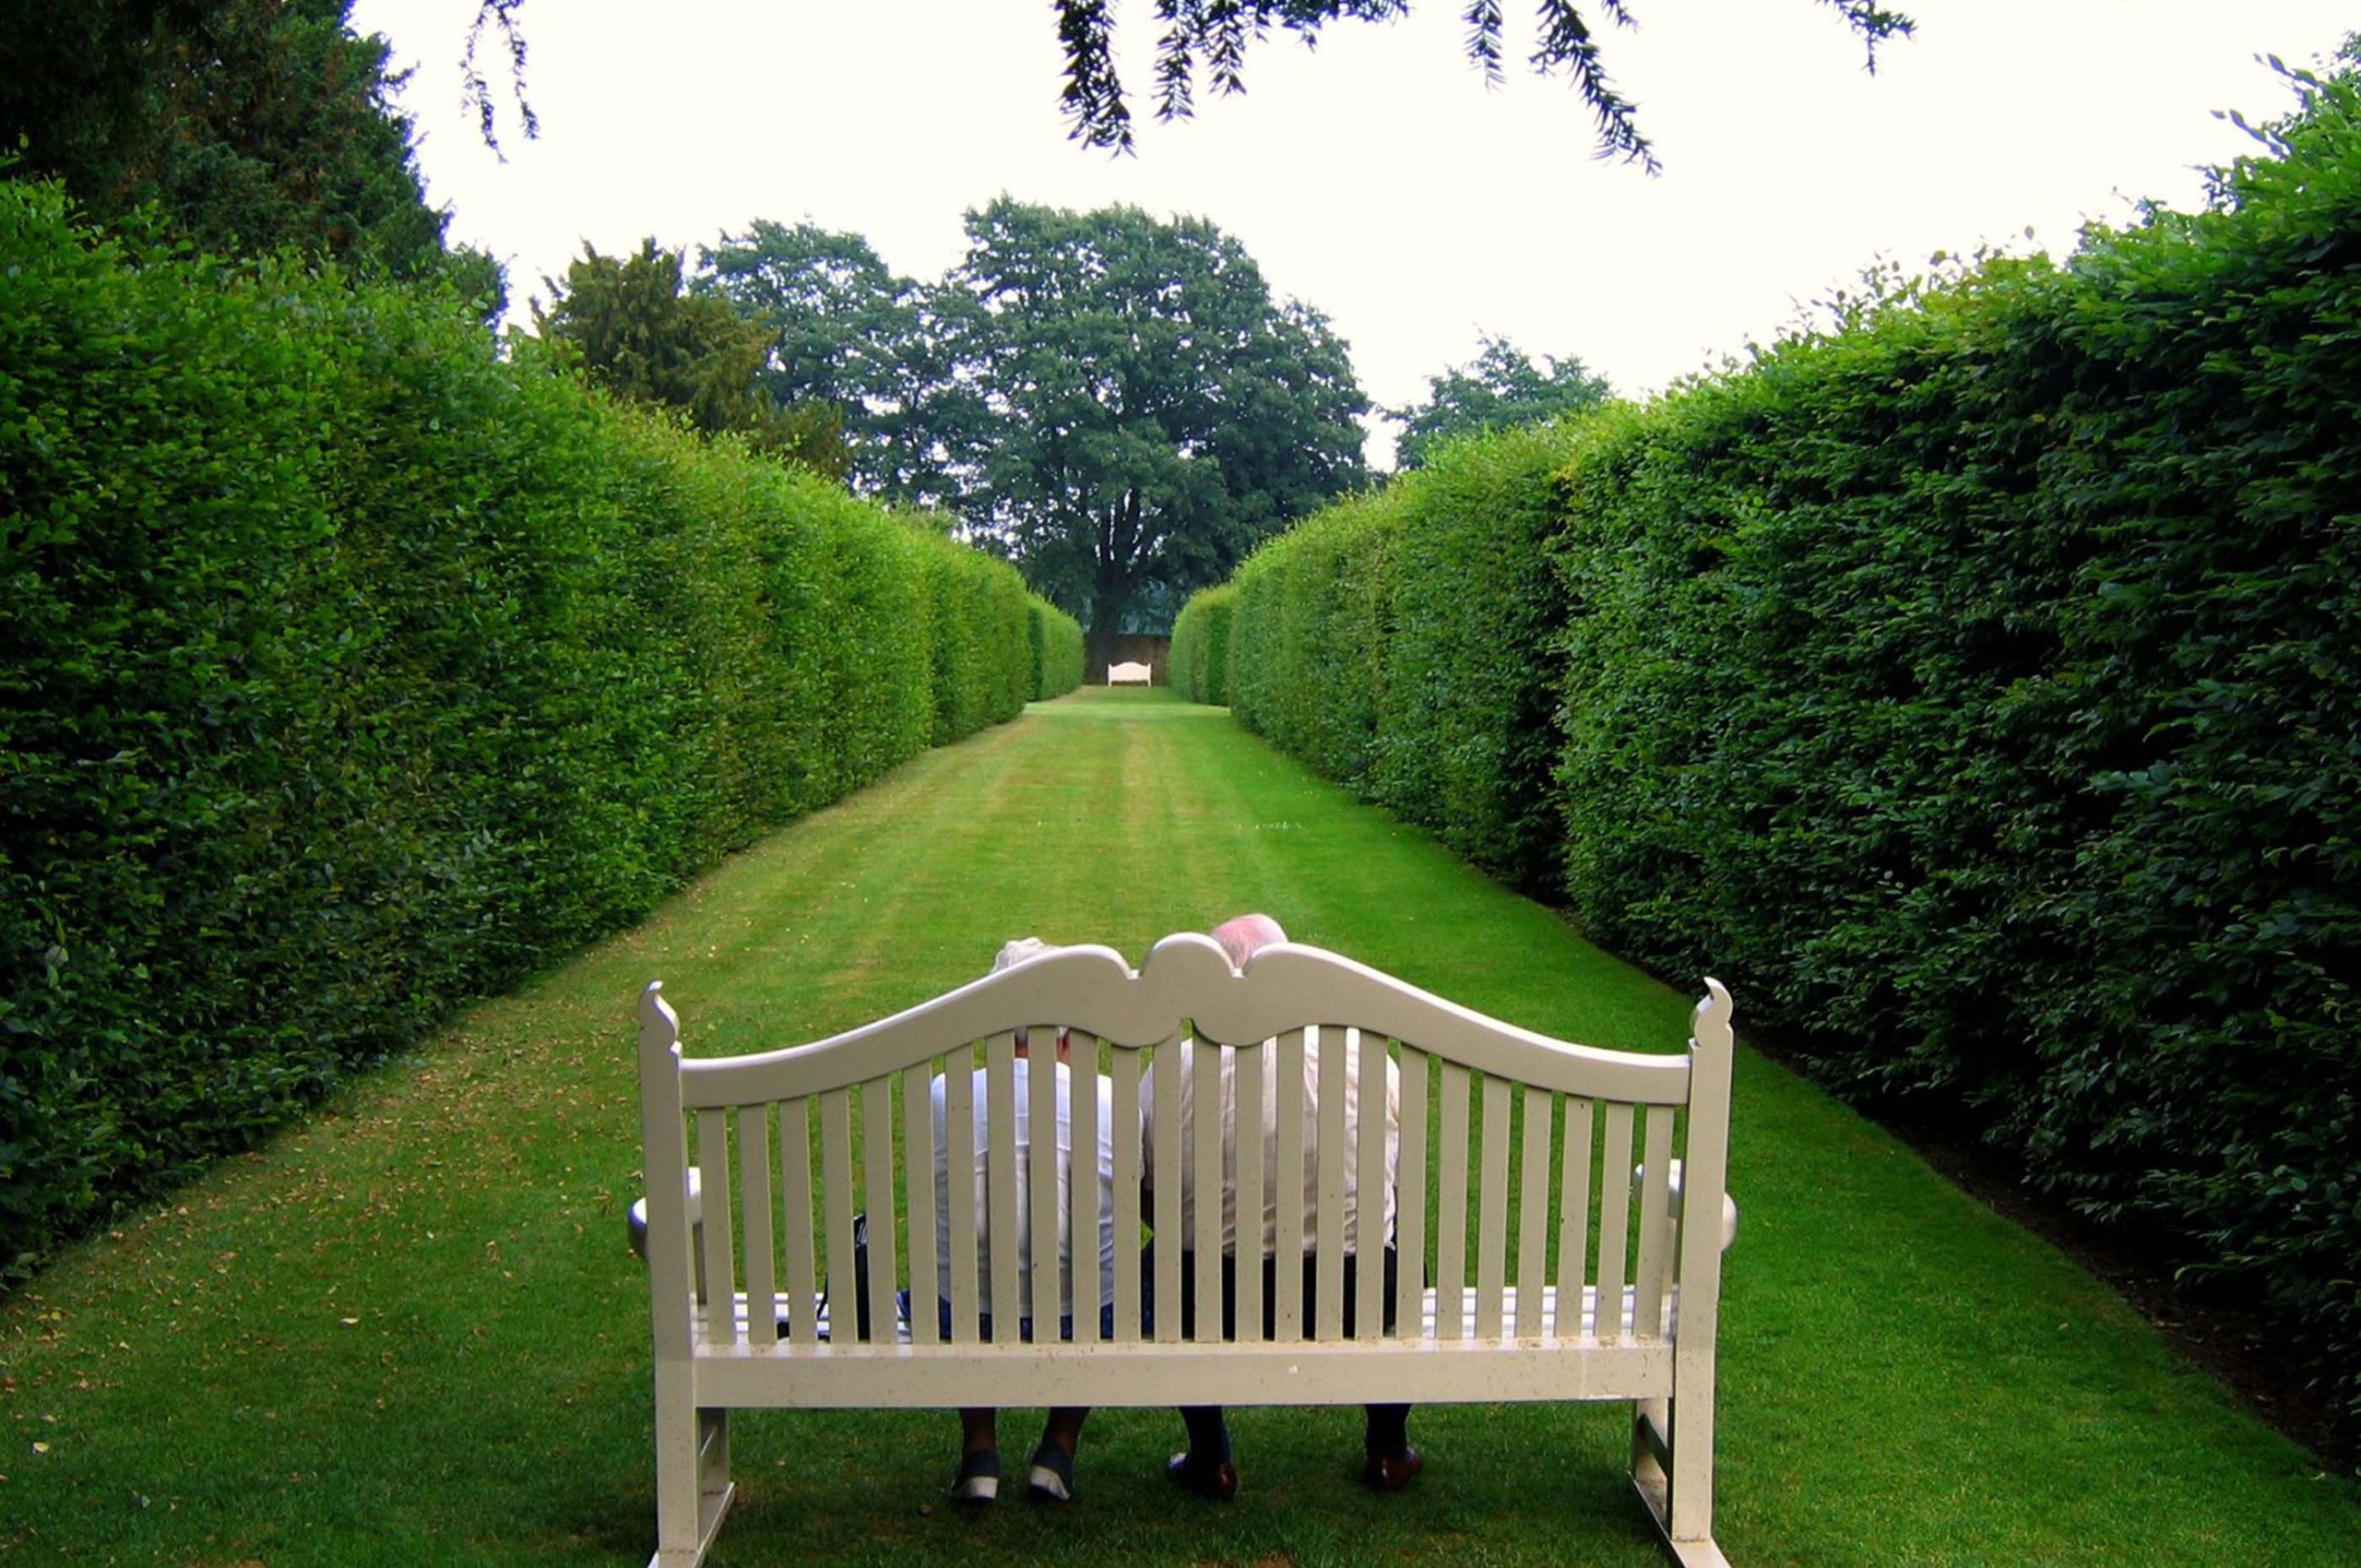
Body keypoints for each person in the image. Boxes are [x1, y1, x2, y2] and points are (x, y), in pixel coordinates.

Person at [1143, 913, 1421, 1501]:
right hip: (1351, 1293)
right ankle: (1388, 1450)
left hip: (1207, 1296)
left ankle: (1211, 1456)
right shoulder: (1368, 1059)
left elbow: (1148, 1191)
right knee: (1401, 1256)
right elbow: (1394, 1184)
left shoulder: (1177, 1065)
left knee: (1161, 1259)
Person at [929, 937, 1120, 1506]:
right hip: (1081, 1316)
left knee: (960, 1281)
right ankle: (1057, 1447)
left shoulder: (945, 1094)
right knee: (1103, 1281)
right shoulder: (1108, 1097)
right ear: (1067, 1032)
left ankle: (979, 1451)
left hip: (969, 1315)